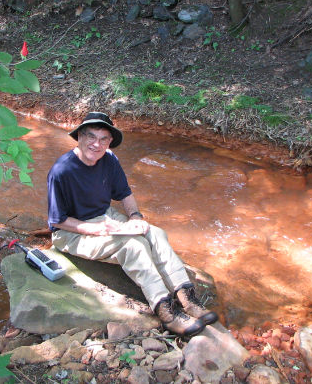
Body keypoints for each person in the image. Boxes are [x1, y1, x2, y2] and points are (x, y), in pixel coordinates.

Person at [46, 112, 218, 337]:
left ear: (110, 142)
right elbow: (56, 221)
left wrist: (136, 217)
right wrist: (96, 229)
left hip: (104, 215)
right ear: (79, 136)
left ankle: (187, 298)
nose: (96, 144)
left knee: (154, 233)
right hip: (71, 231)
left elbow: (124, 193)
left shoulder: (109, 160)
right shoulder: (61, 171)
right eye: (91, 136)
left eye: (104, 139)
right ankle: (165, 311)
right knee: (133, 245)